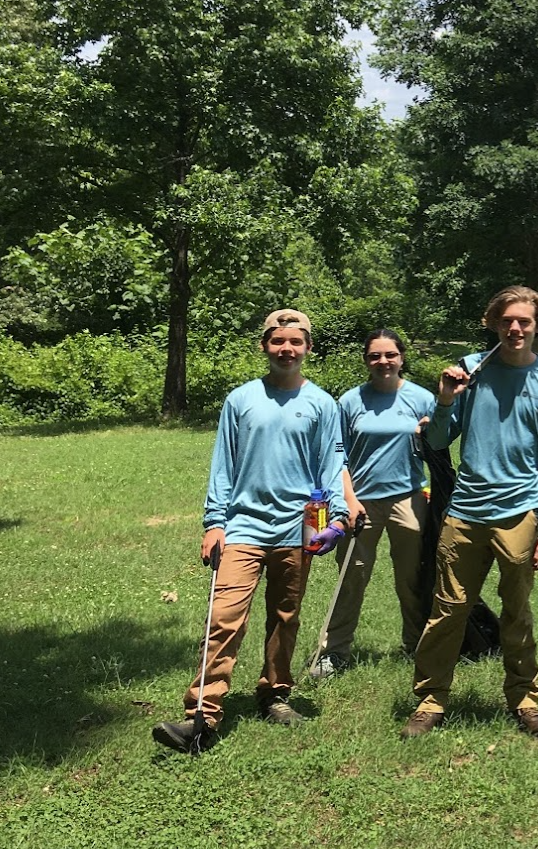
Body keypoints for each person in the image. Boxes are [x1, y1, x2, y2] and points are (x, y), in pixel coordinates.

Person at [152, 308, 348, 753]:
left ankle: (275, 694)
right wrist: (213, 523)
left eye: (296, 342)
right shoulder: (240, 400)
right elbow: (223, 466)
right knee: (223, 619)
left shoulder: (322, 404)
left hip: (298, 529)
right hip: (242, 526)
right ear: (265, 346)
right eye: (278, 341)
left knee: (285, 616)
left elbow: (331, 467)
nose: (287, 349)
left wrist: (335, 519)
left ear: (308, 348)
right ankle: (201, 715)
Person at [400, 286, 538, 740]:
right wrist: (444, 401)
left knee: (517, 611)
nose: (515, 328)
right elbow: (437, 441)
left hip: (521, 512)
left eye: (525, 322)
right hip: (466, 512)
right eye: (507, 321)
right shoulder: (472, 369)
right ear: (494, 323)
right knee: (448, 609)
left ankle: (525, 701)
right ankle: (430, 700)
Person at [310, 329, 438, 678]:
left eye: (390, 355)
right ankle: (333, 652)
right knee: (351, 576)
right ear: (366, 360)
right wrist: (349, 501)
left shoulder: (422, 399)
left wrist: (430, 431)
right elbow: (338, 458)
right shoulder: (350, 402)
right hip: (360, 502)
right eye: (375, 356)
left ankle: (416, 645)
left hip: (408, 498)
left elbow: (440, 445)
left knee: (412, 578)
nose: (383, 362)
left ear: (401, 358)